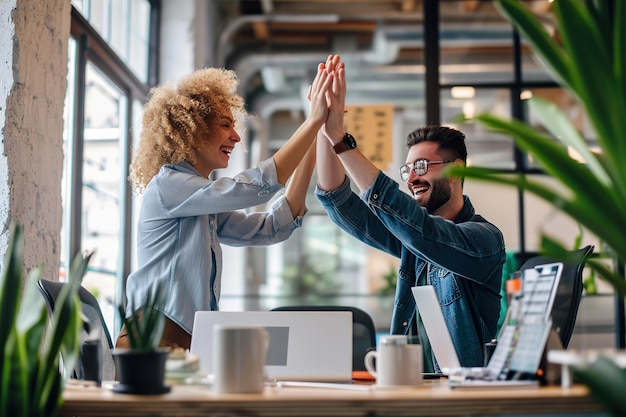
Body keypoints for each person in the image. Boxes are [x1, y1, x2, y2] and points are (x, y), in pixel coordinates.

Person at [116, 56, 339, 350]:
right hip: (153, 338)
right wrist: (312, 120)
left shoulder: (200, 202)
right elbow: (256, 187)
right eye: (225, 125)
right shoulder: (169, 186)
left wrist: (317, 135)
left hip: (185, 340)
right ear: (192, 129)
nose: (235, 137)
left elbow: (272, 228)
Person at [314, 61, 505, 372]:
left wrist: (341, 140)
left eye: (422, 166)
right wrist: (322, 127)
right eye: (408, 170)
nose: (412, 178)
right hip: (414, 388)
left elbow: (423, 233)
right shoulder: (412, 244)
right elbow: (339, 202)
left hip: (458, 398)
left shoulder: (484, 240)